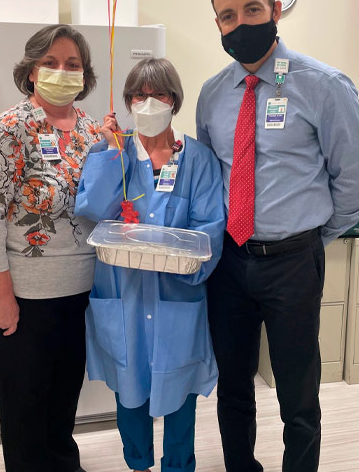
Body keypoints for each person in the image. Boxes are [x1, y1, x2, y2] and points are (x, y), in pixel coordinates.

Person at [196, 0, 359, 472]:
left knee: (297, 388)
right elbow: (211, 178)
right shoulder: (211, 95)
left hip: (294, 261)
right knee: (233, 385)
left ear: (275, 10)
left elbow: (355, 183)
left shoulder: (324, 86)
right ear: (219, 26)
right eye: (228, 16)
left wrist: (311, 236)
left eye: (252, 9)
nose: (242, 23)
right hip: (228, 262)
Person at [75, 58, 225, 472]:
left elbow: (210, 227)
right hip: (123, 296)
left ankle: (179, 466)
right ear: (127, 101)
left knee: (180, 395)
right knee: (130, 392)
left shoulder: (196, 158)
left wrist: (185, 264)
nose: (148, 102)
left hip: (178, 299)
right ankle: (137, 463)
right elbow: (92, 207)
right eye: (139, 95)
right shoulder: (114, 151)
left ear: (173, 99)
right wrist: (108, 150)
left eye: (158, 93)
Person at [0, 24, 102, 472]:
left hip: (79, 291)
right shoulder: (10, 128)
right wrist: (0, 297)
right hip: (24, 298)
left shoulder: (88, 131)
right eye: (51, 62)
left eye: (73, 64)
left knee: (63, 404)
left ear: (85, 75)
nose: (62, 72)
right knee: (25, 412)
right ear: (31, 70)